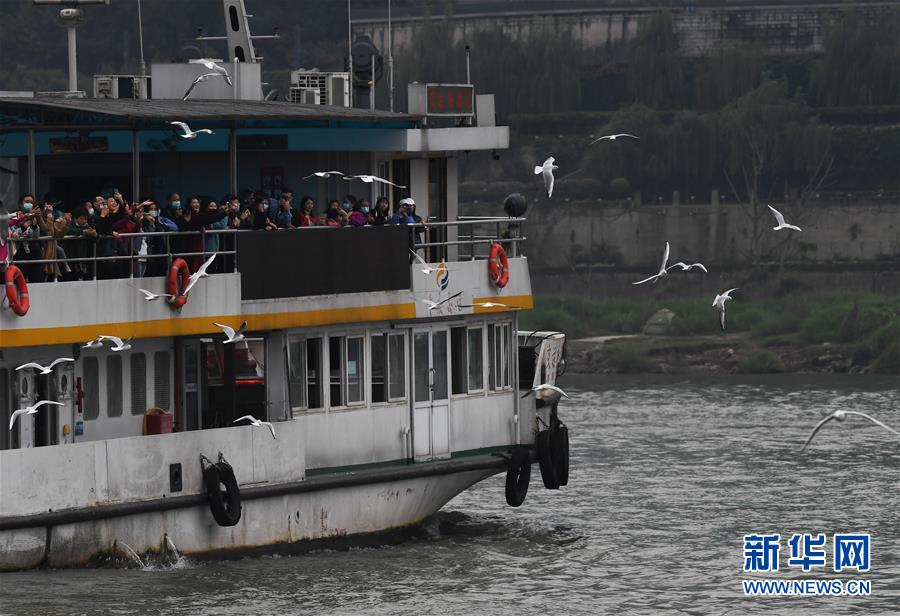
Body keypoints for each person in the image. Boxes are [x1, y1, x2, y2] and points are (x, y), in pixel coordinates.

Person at [62, 206, 98, 280]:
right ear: (75, 218)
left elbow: (95, 240)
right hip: (70, 258)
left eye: (86, 219)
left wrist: (95, 235)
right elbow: (68, 231)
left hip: (83, 258)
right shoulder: (70, 224)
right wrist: (82, 232)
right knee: (70, 278)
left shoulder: (88, 226)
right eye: (82, 219)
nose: (84, 221)